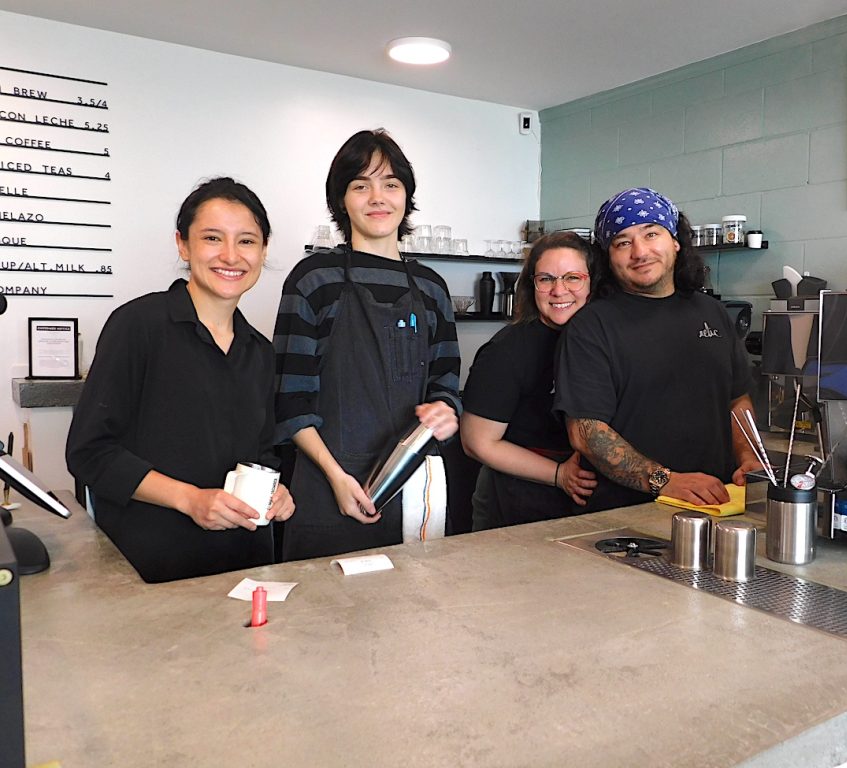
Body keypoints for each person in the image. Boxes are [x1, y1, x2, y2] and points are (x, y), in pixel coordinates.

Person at [66, 177, 295, 583]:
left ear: (263, 251)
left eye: (246, 241)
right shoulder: (138, 326)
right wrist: (189, 500)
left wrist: (277, 493)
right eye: (212, 238)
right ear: (183, 245)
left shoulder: (259, 351)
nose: (230, 255)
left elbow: (262, 454)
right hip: (150, 569)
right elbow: (90, 452)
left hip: (242, 568)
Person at [273, 129, 460, 560]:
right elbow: (291, 400)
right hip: (326, 488)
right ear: (342, 200)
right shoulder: (313, 279)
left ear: (406, 197)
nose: (378, 197)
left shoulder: (432, 288)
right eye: (361, 185)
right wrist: (337, 478)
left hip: (413, 486)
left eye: (390, 184)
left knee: (414, 612)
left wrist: (446, 411)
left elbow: (445, 381)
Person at [553, 187, 761, 512]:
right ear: (609, 256)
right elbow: (586, 431)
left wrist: (748, 456)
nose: (640, 252)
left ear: (675, 241)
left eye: (651, 234)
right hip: (627, 516)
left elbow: (737, 398)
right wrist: (667, 481)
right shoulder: (591, 327)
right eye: (623, 242)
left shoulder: (713, 312)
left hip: (719, 502)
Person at [461, 232, 599, 530]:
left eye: (572, 277)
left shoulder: (600, 342)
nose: (559, 290)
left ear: (591, 283)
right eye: (546, 279)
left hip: (585, 497)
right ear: (531, 286)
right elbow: (477, 443)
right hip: (515, 498)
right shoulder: (508, 350)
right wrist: (559, 474)